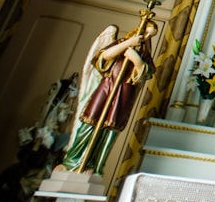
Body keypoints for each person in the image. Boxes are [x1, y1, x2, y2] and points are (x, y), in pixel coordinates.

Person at [57, 20, 159, 175]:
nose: (145, 36)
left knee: (110, 129)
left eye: (150, 35)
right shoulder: (123, 43)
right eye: (145, 32)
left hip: (124, 93)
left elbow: (147, 73)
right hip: (107, 88)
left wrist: (135, 59)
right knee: (89, 122)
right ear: (139, 28)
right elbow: (103, 57)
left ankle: (95, 165)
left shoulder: (144, 55)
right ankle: (72, 160)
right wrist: (127, 44)